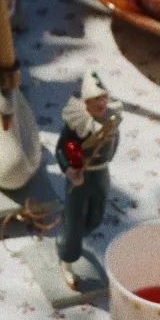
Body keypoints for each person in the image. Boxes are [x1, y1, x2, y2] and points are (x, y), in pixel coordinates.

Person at [55, 71, 121, 288]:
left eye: (104, 98)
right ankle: (67, 257)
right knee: (75, 219)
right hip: (79, 177)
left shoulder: (112, 120)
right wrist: (69, 169)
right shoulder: (76, 123)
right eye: (95, 100)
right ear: (86, 103)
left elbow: (113, 147)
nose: (101, 103)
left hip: (101, 174)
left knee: (96, 217)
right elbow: (61, 149)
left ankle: (67, 239)